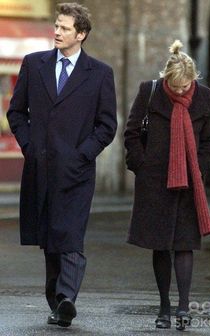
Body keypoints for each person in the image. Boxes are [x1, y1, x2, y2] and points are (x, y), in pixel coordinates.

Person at [7, 2, 117, 328]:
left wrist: (82, 154)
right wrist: (29, 146)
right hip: (40, 168)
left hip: (77, 171)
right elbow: (16, 113)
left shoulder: (100, 74)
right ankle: (57, 300)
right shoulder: (33, 64)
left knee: (69, 233)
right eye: (56, 25)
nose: (57, 31)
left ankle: (67, 297)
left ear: (81, 34)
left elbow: (106, 126)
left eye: (65, 27)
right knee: (50, 236)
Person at [124, 40, 210, 331]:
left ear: (193, 79)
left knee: (185, 244)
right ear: (167, 78)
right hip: (155, 182)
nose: (179, 91)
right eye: (174, 86)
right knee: (160, 245)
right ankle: (164, 306)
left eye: (184, 86)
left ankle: (183, 306)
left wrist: (198, 169)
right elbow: (131, 132)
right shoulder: (149, 92)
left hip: (190, 183)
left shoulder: (206, 98)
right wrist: (141, 164)